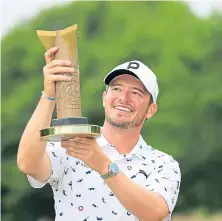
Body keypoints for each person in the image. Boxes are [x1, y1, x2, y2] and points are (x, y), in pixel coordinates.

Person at [17, 46, 181, 221]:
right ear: (104, 98)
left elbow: (154, 213)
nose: (123, 98)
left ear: (151, 110)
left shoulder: (162, 164)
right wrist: (49, 95)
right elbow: (28, 164)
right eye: (117, 89)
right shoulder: (71, 146)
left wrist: (102, 164)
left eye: (136, 92)